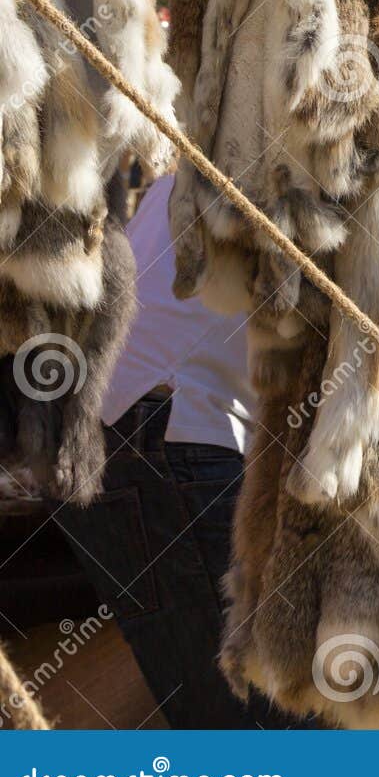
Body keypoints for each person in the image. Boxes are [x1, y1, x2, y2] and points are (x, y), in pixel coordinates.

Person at [53, 175, 310, 727]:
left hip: (108, 433)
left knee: (231, 723)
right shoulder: (321, 170)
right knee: (264, 732)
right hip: (170, 433)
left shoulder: (199, 159)